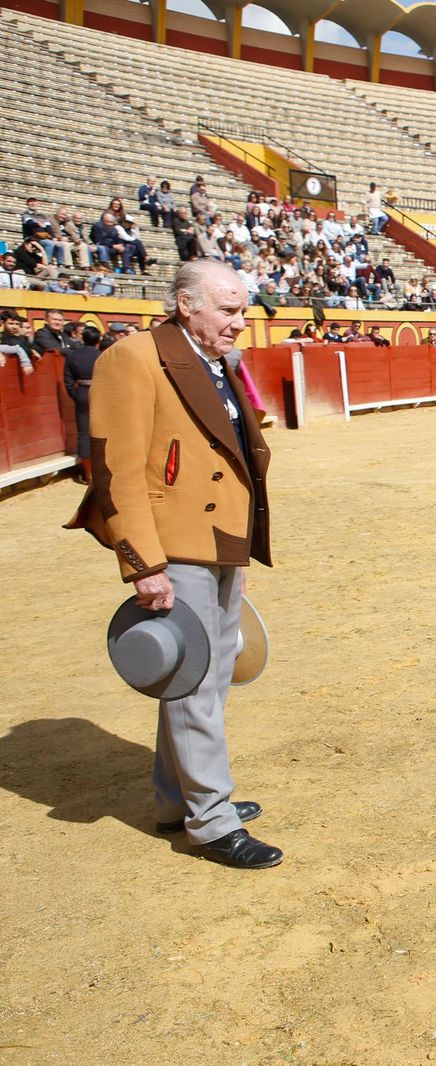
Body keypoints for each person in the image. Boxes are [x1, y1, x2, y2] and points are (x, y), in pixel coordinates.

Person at [66, 260, 281, 870]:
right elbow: (117, 470)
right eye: (228, 310)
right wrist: (143, 564)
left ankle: (175, 800)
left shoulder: (216, 361)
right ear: (186, 304)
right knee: (193, 681)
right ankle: (211, 821)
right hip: (172, 545)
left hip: (220, 536)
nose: (240, 323)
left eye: (242, 310)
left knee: (208, 676)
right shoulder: (133, 358)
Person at [63, 324, 103, 483]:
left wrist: (77, 395)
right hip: (101, 393)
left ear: (82, 338)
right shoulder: (102, 355)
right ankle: (102, 471)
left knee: (84, 433)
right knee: (105, 429)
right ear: (98, 340)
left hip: (83, 393)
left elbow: (68, 381)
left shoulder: (72, 356)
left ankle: (88, 474)